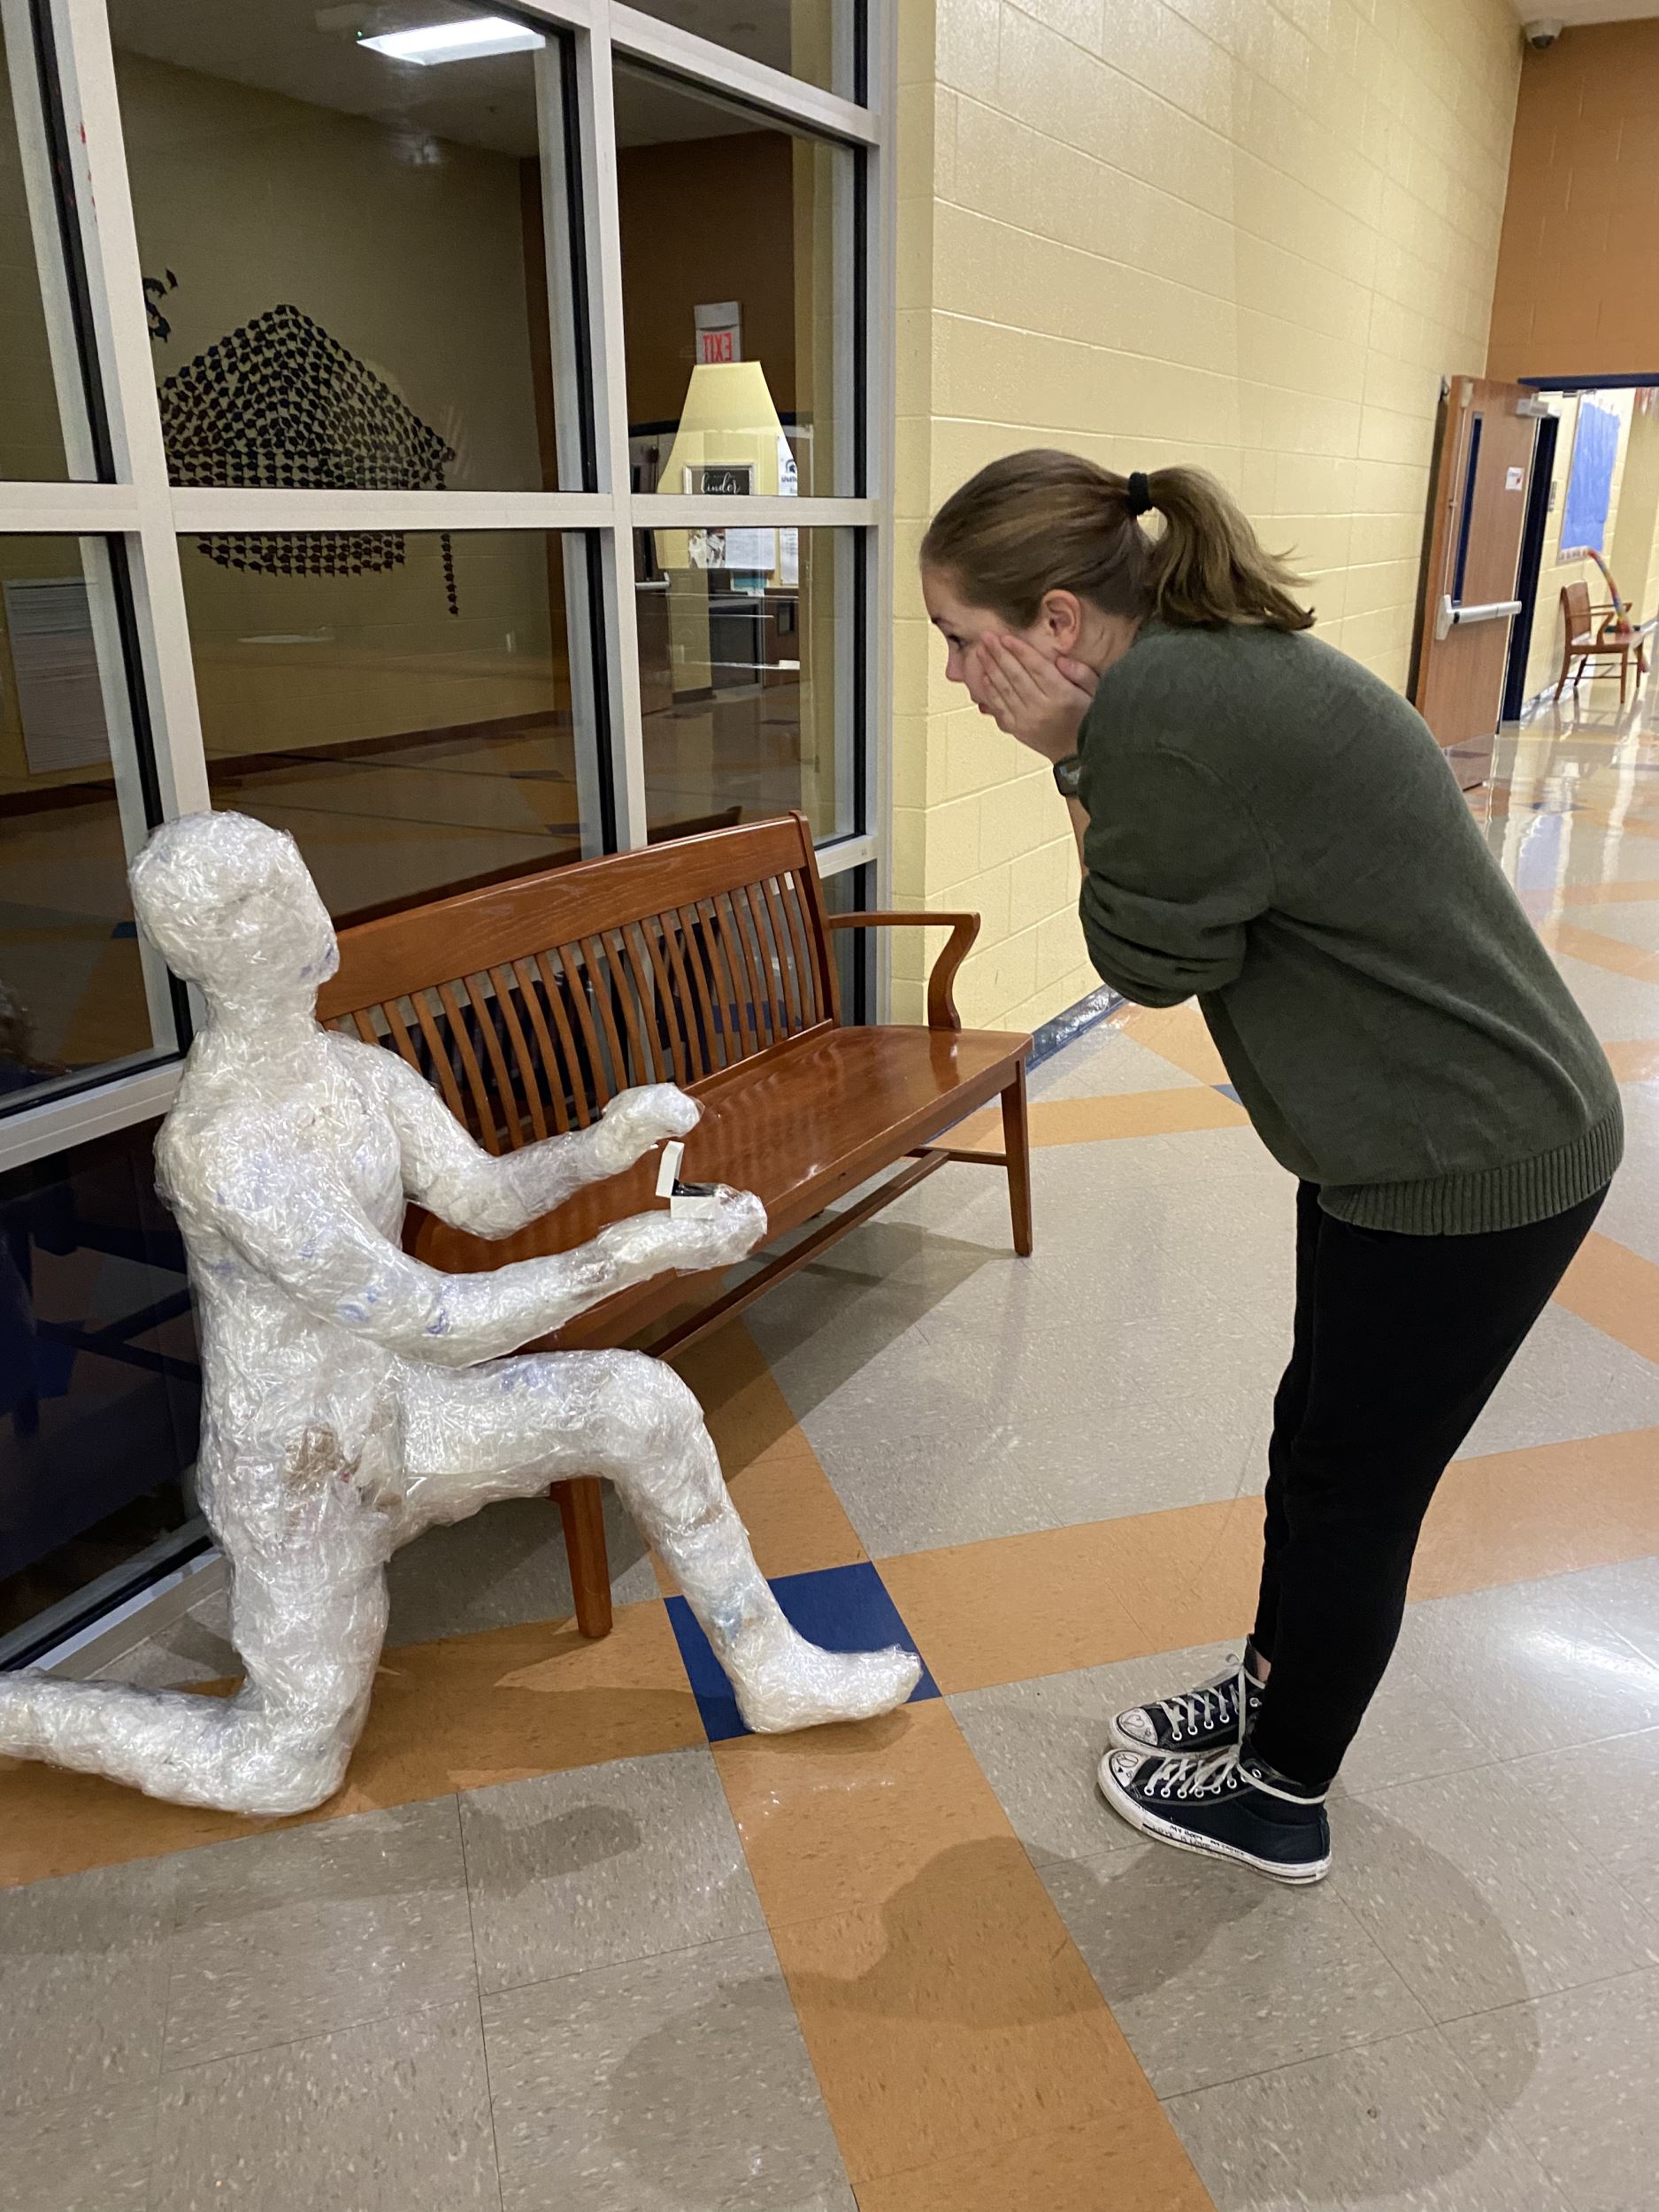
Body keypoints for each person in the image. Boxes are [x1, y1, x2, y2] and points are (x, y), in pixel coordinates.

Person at [920, 452, 1621, 1884]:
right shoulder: (1193, 665)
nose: (949, 675)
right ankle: (1267, 1689)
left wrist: (1066, 757)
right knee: (1315, 1446)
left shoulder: (1157, 719)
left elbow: (1143, 961)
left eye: (955, 636)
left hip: (1465, 1159)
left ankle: (1279, 1795)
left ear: (1055, 622)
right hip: (1418, 1142)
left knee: (1353, 1488)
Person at [0, 812, 919, 1816]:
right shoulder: (221, 1144)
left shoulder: (358, 1073)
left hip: (407, 1414)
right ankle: (19, 1712)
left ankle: (769, 1665)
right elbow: (427, 1315)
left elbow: (482, 1198)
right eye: (255, 901)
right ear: (196, 949)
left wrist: (601, 1147)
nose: (303, 909)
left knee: (640, 1403)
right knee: (284, 1768)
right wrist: (629, 1253)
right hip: (302, 1477)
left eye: (295, 876)